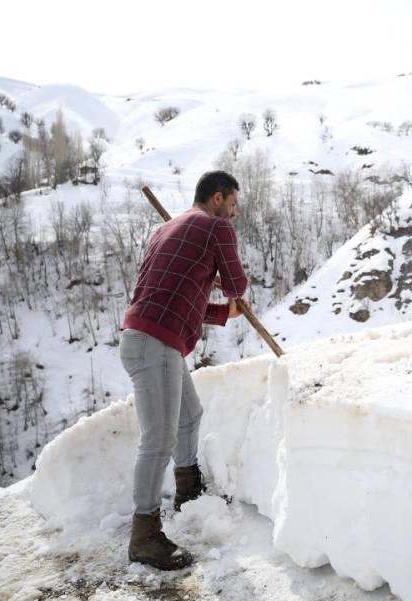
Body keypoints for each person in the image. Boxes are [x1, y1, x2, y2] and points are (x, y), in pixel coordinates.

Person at [119, 170, 249, 570]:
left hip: (149, 338)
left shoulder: (168, 229)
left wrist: (221, 314)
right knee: (158, 439)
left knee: (189, 415)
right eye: (233, 204)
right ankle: (144, 536)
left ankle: (188, 490)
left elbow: (180, 298)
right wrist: (234, 299)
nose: (234, 213)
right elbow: (236, 283)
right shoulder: (216, 228)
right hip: (155, 344)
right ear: (217, 198)